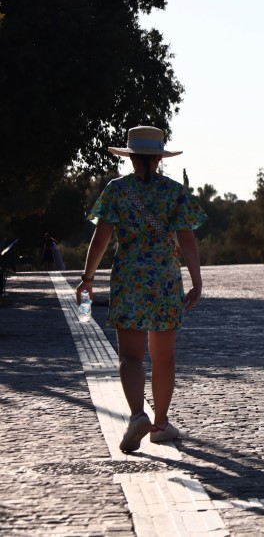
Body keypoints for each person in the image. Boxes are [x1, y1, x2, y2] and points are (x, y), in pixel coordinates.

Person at [75, 126, 205, 452]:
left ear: (131, 158)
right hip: (164, 279)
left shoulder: (116, 190)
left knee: (130, 356)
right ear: (160, 157)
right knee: (165, 358)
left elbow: (101, 238)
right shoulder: (174, 192)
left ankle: (137, 415)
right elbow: (187, 239)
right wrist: (196, 281)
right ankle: (160, 424)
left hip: (129, 278)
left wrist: (88, 277)